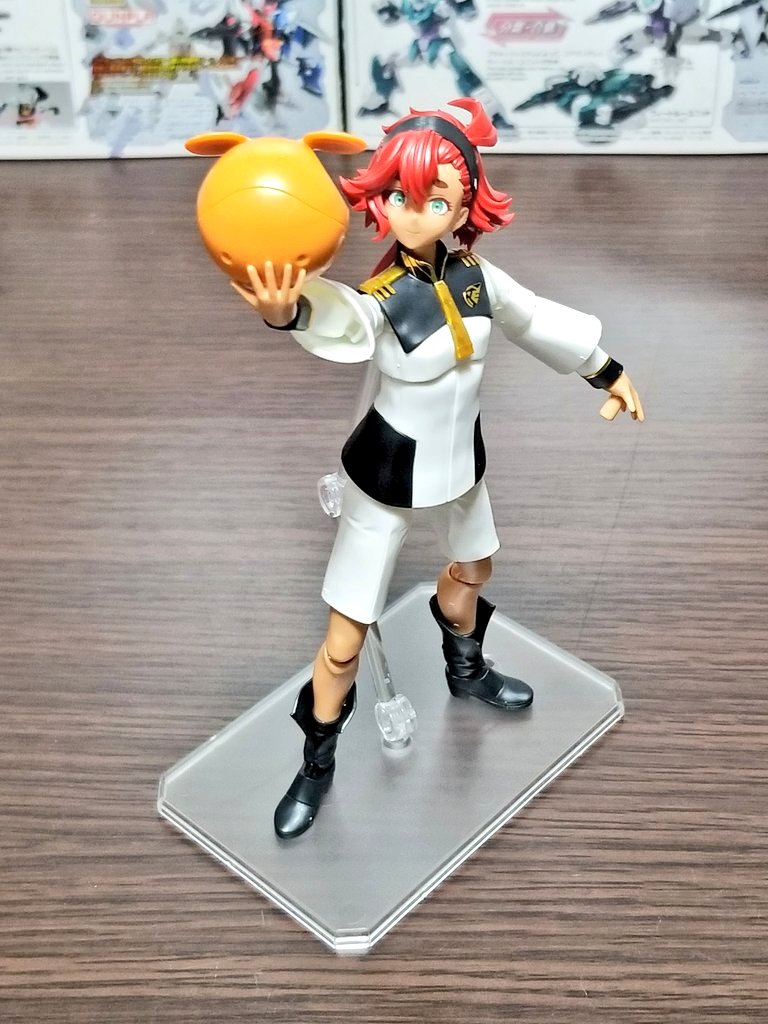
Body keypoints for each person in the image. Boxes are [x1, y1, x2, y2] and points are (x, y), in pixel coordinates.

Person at [232, 97, 644, 840]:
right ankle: (317, 762)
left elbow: (537, 321)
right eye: (398, 195)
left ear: (464, 204)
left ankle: (465, 666)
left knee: (475, 570)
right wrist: (285, 311)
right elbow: (340, 319)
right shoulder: (384, 299)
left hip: (460, 466)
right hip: (384, 479)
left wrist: (606, 371)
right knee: (344, 642)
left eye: (434, 198)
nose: (413, 212)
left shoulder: (479, 279)